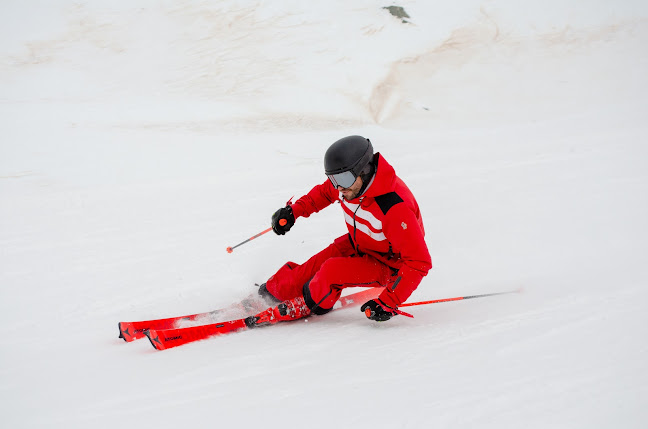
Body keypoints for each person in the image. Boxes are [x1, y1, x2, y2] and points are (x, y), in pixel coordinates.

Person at [245, 135, 432, 327]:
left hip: (388, 263)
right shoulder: (349, 185)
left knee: (331, 272)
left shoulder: (394, 208)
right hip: (360, 243)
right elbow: (324, 193)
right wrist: (294, 212)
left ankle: (311, 303)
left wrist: (387, 302)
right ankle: (271, 294)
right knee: (309, 268)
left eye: (342, 178)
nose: (338, 186)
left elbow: (419, 262)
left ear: (365, 170)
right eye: (333, 178)